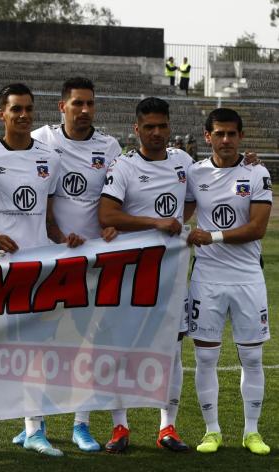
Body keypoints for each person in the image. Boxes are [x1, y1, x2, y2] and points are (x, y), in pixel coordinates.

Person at [0, 77, 121, 455]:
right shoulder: (5, 152)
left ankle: (64, 426)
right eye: (77, 104)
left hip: (76, 261)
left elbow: (60, 212)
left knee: (67, 345)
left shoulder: (98, 149)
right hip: (14, 264)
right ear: (62, 107)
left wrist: (72, 236)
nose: (84, 110)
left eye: (90, 103)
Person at [98, 97, 193, 453]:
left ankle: (168, 427)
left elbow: (201, 191)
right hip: (127, 272)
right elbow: (107, 214)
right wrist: (156, 223)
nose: (156, 133)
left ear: (170, 127)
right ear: (136, 130)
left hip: (170, 272)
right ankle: (119, 426)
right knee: (119, 349)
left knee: (172, 350)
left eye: (162, 126)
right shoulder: (123, 166)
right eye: (149, 127)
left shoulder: (184, 162)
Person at [185, 108, 272, 456]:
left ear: (240, 136)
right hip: (206, 279)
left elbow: (257, 228)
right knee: (205, 359)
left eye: (231, 134)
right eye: (218, 133)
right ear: (208, 136)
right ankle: (212, 431)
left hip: (248, 279)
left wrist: (213, 236)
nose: (225, 140)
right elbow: (179, 212)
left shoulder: (256, 171)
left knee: (252, 359)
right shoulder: (194, 173)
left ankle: (252, 432)